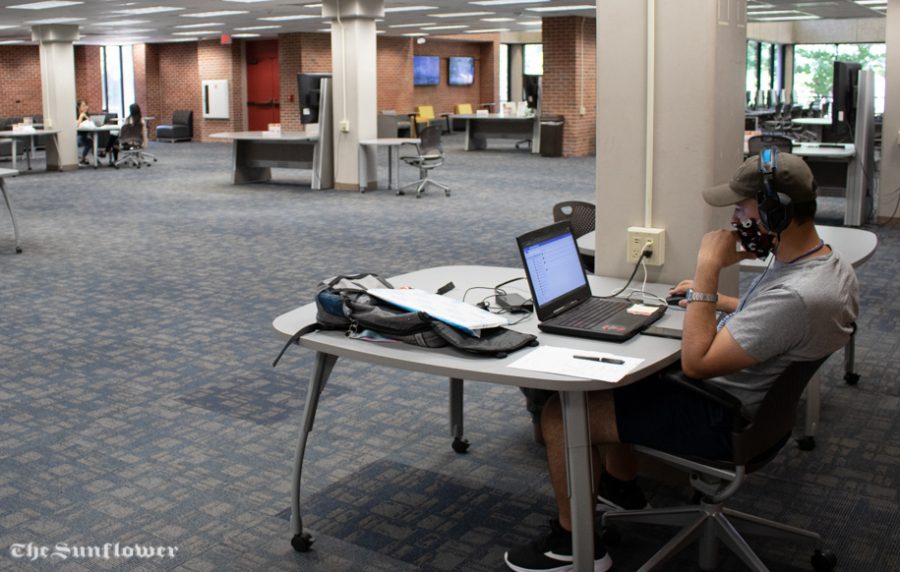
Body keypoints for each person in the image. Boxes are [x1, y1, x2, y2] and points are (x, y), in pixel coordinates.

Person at [503, 151, 859, 572]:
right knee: (613, 378)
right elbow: (771, 320)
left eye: (742, 208)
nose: (733, 221)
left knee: (560, 413)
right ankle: (621, 489)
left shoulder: (796, 296)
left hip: (722, 416)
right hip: (757, 409)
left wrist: (707, 271)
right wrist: (718, 302)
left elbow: (697, 362)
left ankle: (571, 547)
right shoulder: (826, 266)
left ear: (774, 213)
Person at [75, 99, 93, 165]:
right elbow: (76, 126)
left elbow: (90, 124)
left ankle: (83, 158)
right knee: (85, 141)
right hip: (77, 135)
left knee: (91, 141)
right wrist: (81, 116)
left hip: (85, 135)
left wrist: (85, 116)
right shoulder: (75, 115)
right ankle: (82, 158)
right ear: (79, 107)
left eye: (86, 105)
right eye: (84, 105)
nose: (86, 107)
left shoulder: (87, 114)